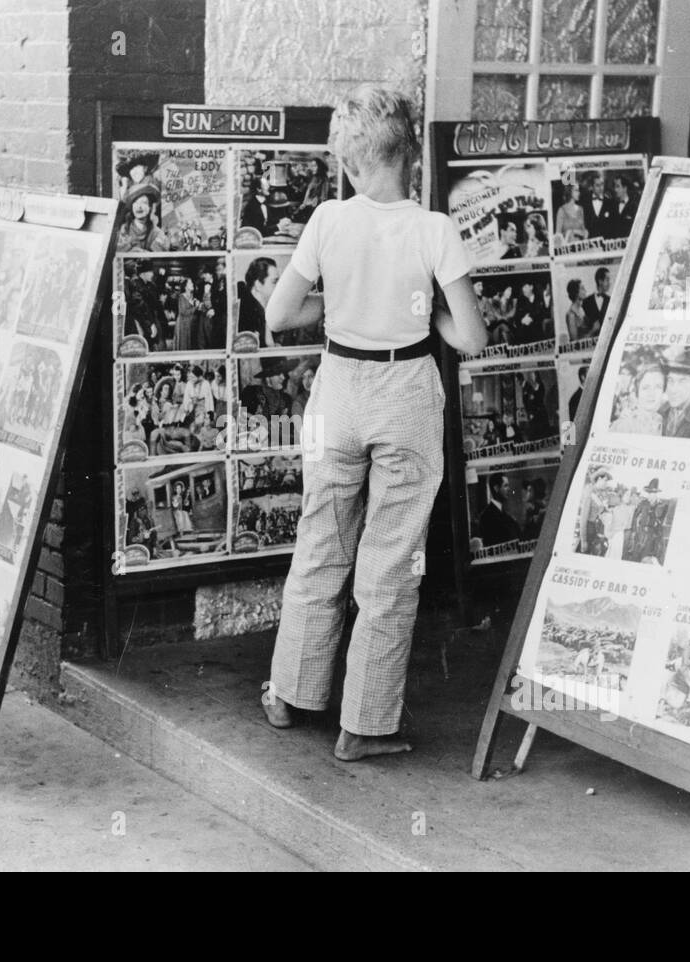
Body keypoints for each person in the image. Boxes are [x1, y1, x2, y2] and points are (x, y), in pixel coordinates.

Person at [259, 83, 485, 761]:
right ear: (409, 153)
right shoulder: (433, 230)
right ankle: (365, 724)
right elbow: (469, 337)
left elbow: (277, 316)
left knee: (320, 542)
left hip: (338, 389)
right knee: (392, 559)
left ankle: (290, 694)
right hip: (406, 391)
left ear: (350, 164)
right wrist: (427, 319)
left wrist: (335, 315)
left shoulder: (329, 221)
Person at [611, 362, 667, 436]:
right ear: (637, 392)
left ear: (663, 392)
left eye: (658, 387)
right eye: (646, 387)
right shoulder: (623, 426)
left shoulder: (666, 424)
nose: (651, 393)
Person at [624, 478, 671, 564]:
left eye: (652, 493)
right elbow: (634, 518)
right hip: (639, 536)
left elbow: (661, 524)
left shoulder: (662, 506)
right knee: (635, 558)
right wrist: (634, 532)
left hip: (651, 538)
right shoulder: (643, 503)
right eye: (649, 493)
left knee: (646, 559)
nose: (649, 496)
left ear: (656, 494)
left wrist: (657, 538)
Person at [237, 257, 279, 348]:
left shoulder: (264, 308)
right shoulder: (246, 314)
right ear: (258, 285)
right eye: (274, 282)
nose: (279, 287)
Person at [117, 181, 170, 252]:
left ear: (150, 207)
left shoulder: (156, 232)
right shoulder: (124, 230)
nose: (139, 206)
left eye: (144, 202)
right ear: (132, 207)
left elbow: (160, 255)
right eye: (136, 203)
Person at [477, 473, 522, 547]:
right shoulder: (486, 516)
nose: (509, 489)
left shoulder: (506, 515)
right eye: (505, 486)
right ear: (496, 488)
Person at [578, 468, 613, 555]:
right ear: (599, 479)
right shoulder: (589, 492)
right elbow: (583, 518)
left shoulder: (601, 494)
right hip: (589, 530)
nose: (606, 483)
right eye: (605, 480)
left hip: (596, 531)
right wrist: (583, 540)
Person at [554, 181, 587, 248]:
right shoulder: (561, 210)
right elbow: (558, 235)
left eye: (579, 190)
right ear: (570, 192)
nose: (579, 193)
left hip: (580, 247)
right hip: (567, 249)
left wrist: (575, 231)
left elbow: (584, 231)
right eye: (576, 190)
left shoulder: (581, 209)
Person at [172, 276, 200, 352]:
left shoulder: (193, 296)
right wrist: (195, 307)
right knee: (184, 344)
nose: (192, 284)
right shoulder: (182, 297)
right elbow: (183, 312)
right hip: (183, 324)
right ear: (185, 286)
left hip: (191, 324)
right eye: (190, 283)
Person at [581, 267, 612, 331]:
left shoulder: (611, 301)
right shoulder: (585, 302)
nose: (609, 283)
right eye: (607, 280)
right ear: (600, 281)